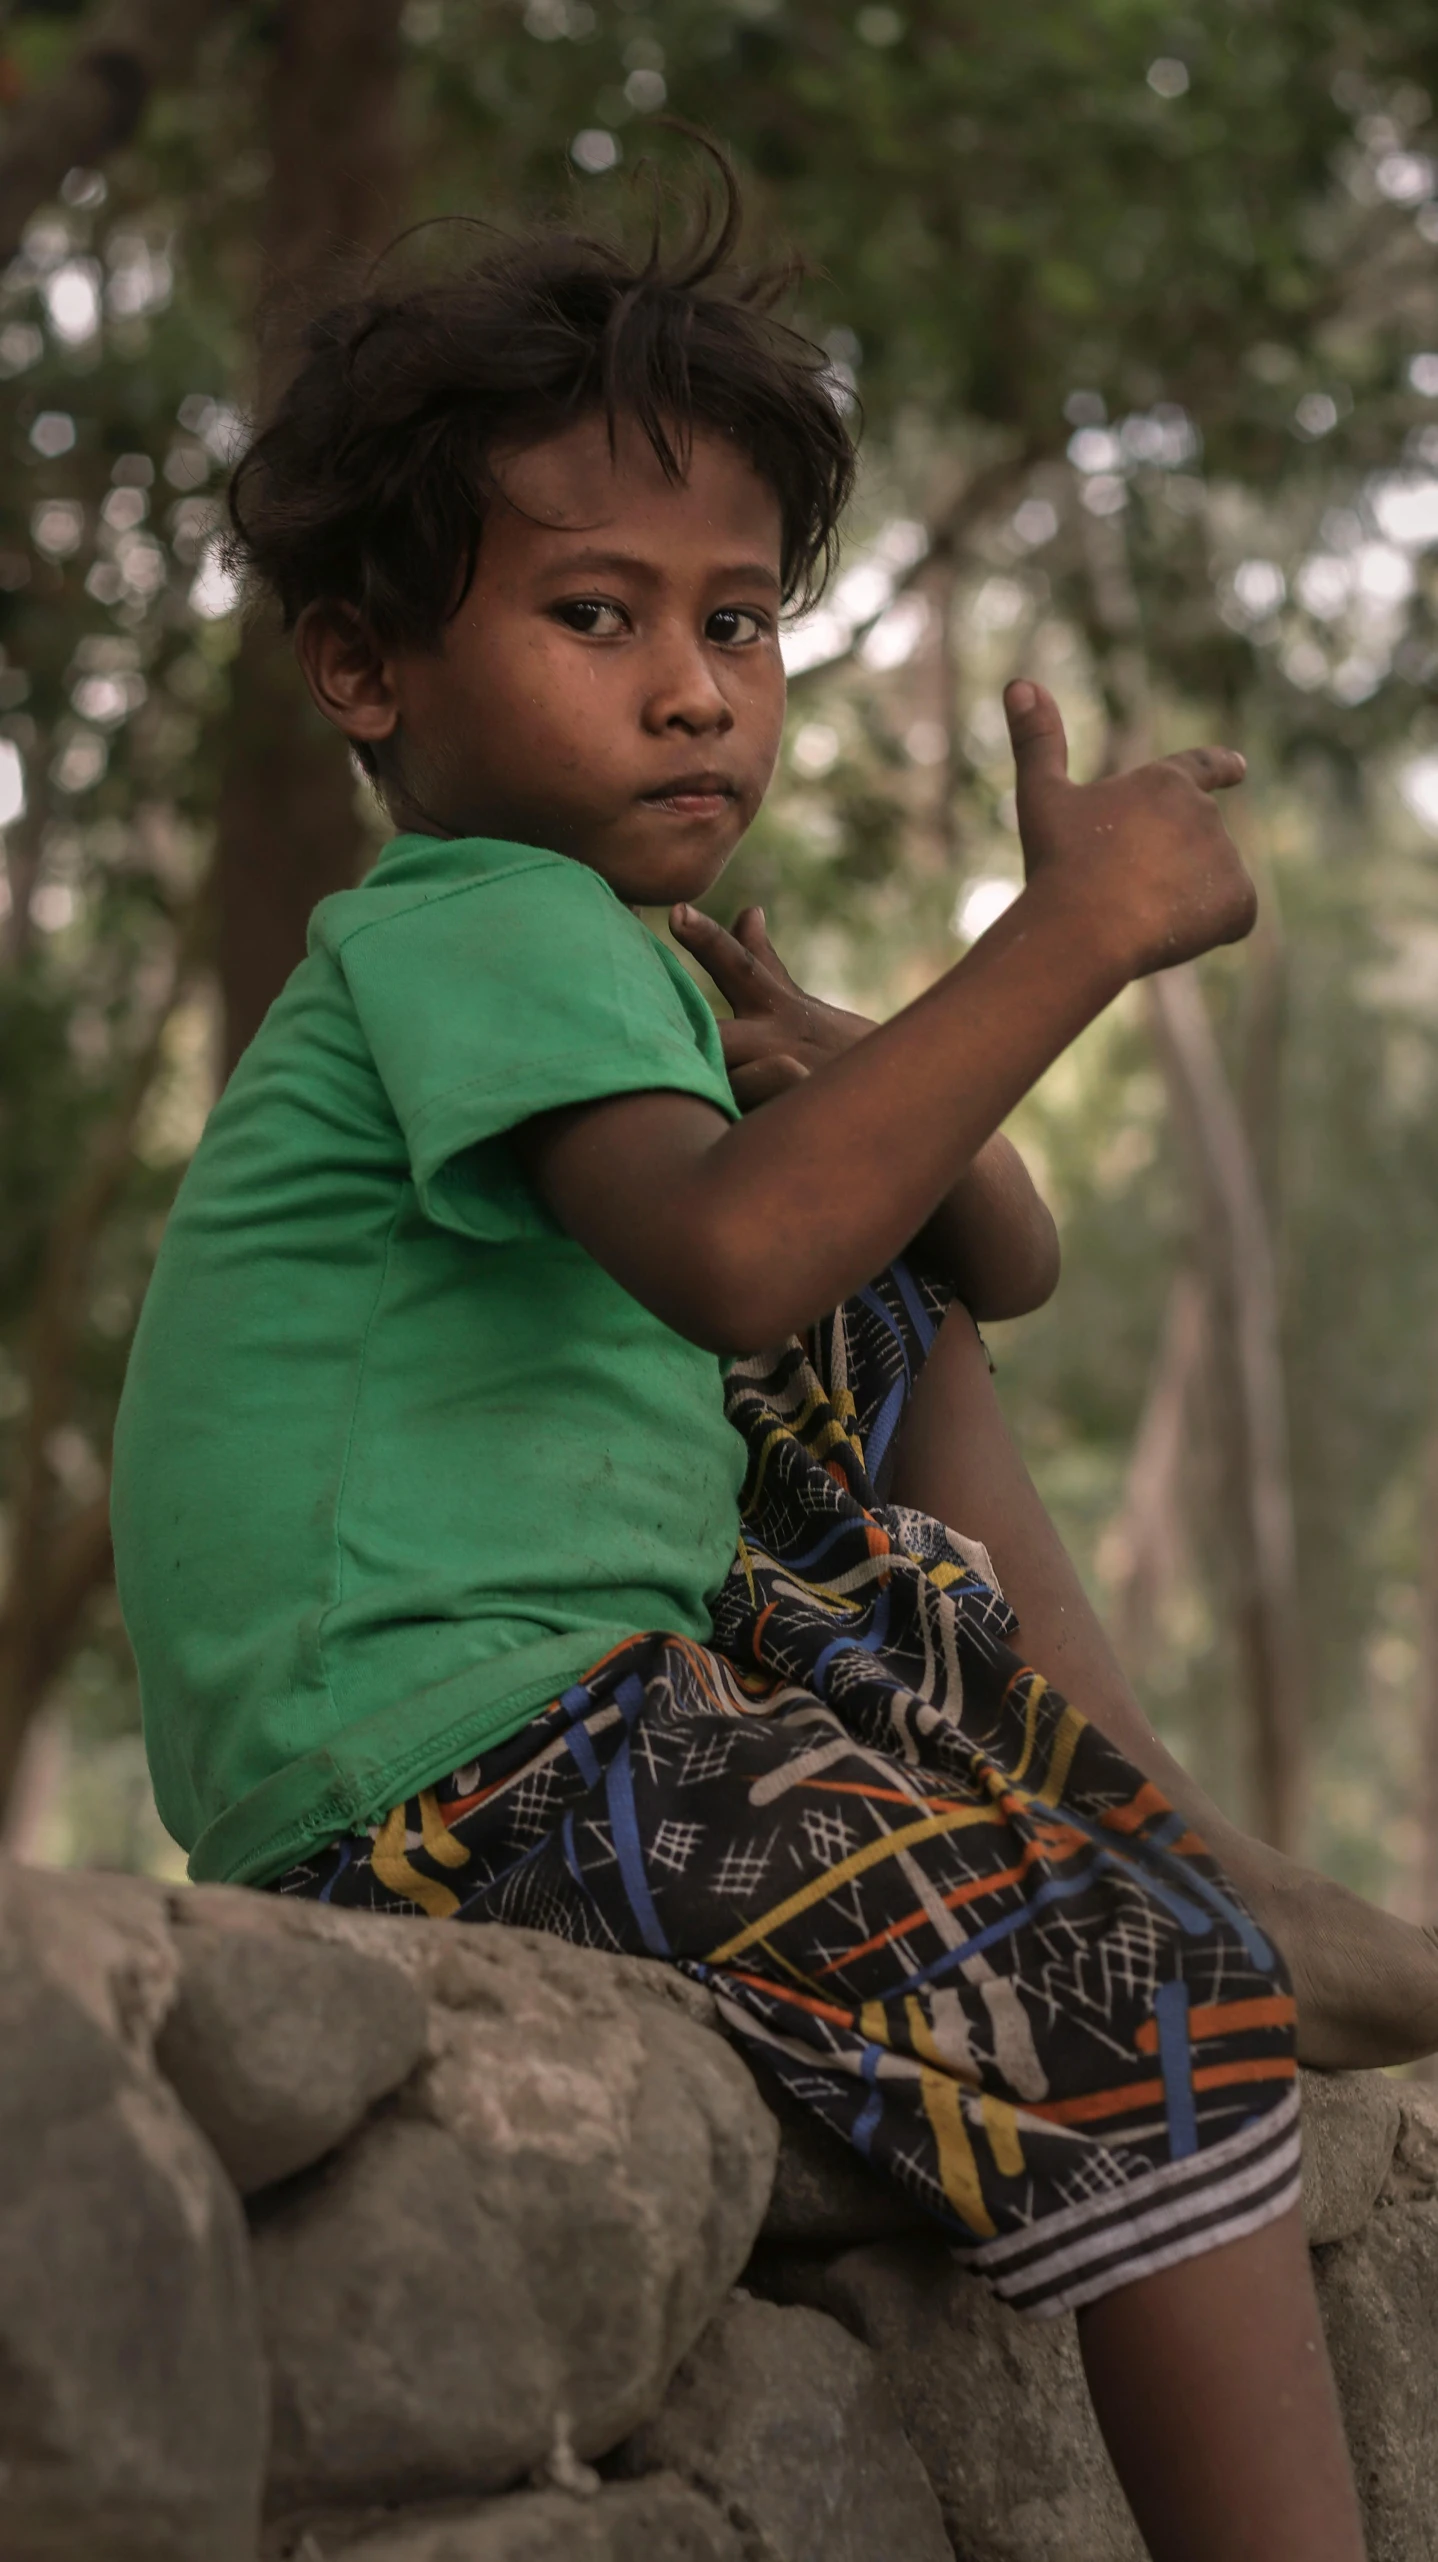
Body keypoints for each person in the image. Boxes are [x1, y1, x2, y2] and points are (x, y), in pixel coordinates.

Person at [110, 169, 1416, 2562]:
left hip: (577, 1695)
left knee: (884, 1269)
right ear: (367, 666)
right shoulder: (479, 919)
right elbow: (736, 1271)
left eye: (735, 622)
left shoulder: (621, 954)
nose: (694, 686)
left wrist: (834, 1046)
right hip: (451, 1756)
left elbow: (977, 1262)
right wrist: (1066, 937)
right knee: (1145, 2012)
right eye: (595, 617)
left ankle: (1177, 1832)